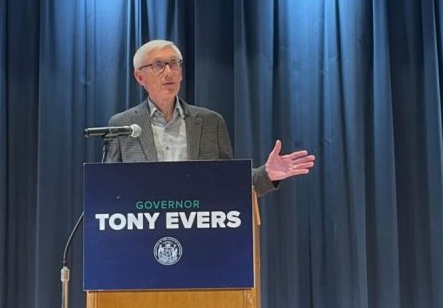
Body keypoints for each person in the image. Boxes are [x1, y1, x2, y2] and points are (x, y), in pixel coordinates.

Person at [104, 40, 315, 196]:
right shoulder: (122, 125)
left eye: (174, 63)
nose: (168, 72)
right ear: (139, 76)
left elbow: (229, 181)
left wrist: (267, 174)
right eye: (158, 65)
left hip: (200, 230)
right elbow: (107, 187)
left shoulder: (210, 122)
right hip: (140, 235)